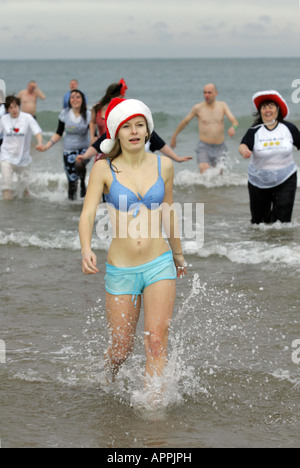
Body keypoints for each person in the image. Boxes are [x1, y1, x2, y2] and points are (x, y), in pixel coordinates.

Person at [79, 97, 187, 383]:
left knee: (155, 342)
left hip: (158, 263)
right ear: (116, 132)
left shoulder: (164, 166)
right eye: (127, 126)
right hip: (121, 268)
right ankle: (106, 380)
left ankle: (153, 409)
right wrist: (86, 248)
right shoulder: (103, 169)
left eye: (140, 125)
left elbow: (169, 212)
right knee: (121, 349)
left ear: (148, 130)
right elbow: (88, 214)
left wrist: (178, 254)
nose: (134, 131)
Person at [239, 90, 300, 225]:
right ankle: (263, 246)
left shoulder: (288, 128)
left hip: (286, 178)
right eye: (264, 107)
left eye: (271, 106)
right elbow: (243, 145)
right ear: (260, 111)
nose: (267, 110)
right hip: (259, 181)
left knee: (282, 223)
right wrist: (244, 151)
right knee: (259, 224)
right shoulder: (255, 130)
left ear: (277, 109)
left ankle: (281, 246)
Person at [170, 83, 239, 173]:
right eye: (205, 92)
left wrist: (233, 128)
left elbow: (235, 121)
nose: (206, 95)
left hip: (220, 146)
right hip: (204, 147)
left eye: (209, 93)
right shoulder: (198, 108)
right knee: (204, 171)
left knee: (219, 175)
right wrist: (174, 136)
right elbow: (185, 122)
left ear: (216, 93)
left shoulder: (222, 106)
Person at [36, 89, 91, 200]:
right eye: (72, 97)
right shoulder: (64, 114)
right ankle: (72, 206)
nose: (75, 99)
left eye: (78, 97)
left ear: (82, 100)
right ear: (69, 100)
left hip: (84, 149)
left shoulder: (89, 115)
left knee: (79, 161)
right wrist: (47, 146)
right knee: (71, 180)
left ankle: (82, 183)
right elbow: (58, 133)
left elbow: (94, 134)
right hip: (68, 150)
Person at [0, 95, 43, 201]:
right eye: (10, 107)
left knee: (25, 190)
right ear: (7, 110)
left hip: (24, 159)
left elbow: (37, 132)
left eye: (15, 106)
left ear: (18, 106)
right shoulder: (3, 120)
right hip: (7, 157)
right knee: (7, 187)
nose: (14, 109)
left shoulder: (27, 118)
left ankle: (24, 210)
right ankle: (9, 211)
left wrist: (40, 143)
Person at [76, 129, 193, 165]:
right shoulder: (115, 133)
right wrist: (85, 156)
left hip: (142, 172)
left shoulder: (147, 132)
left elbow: (161, 146)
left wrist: (176, 158)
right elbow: (97, 146)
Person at [89, 79, 128, 144]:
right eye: (120, 97)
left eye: (122, 97)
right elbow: (92, 122)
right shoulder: (97, 108)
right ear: (110, 96)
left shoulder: (123, 110)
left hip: (117, 144)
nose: (121, 100)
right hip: (101, 144)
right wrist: (92, 137)